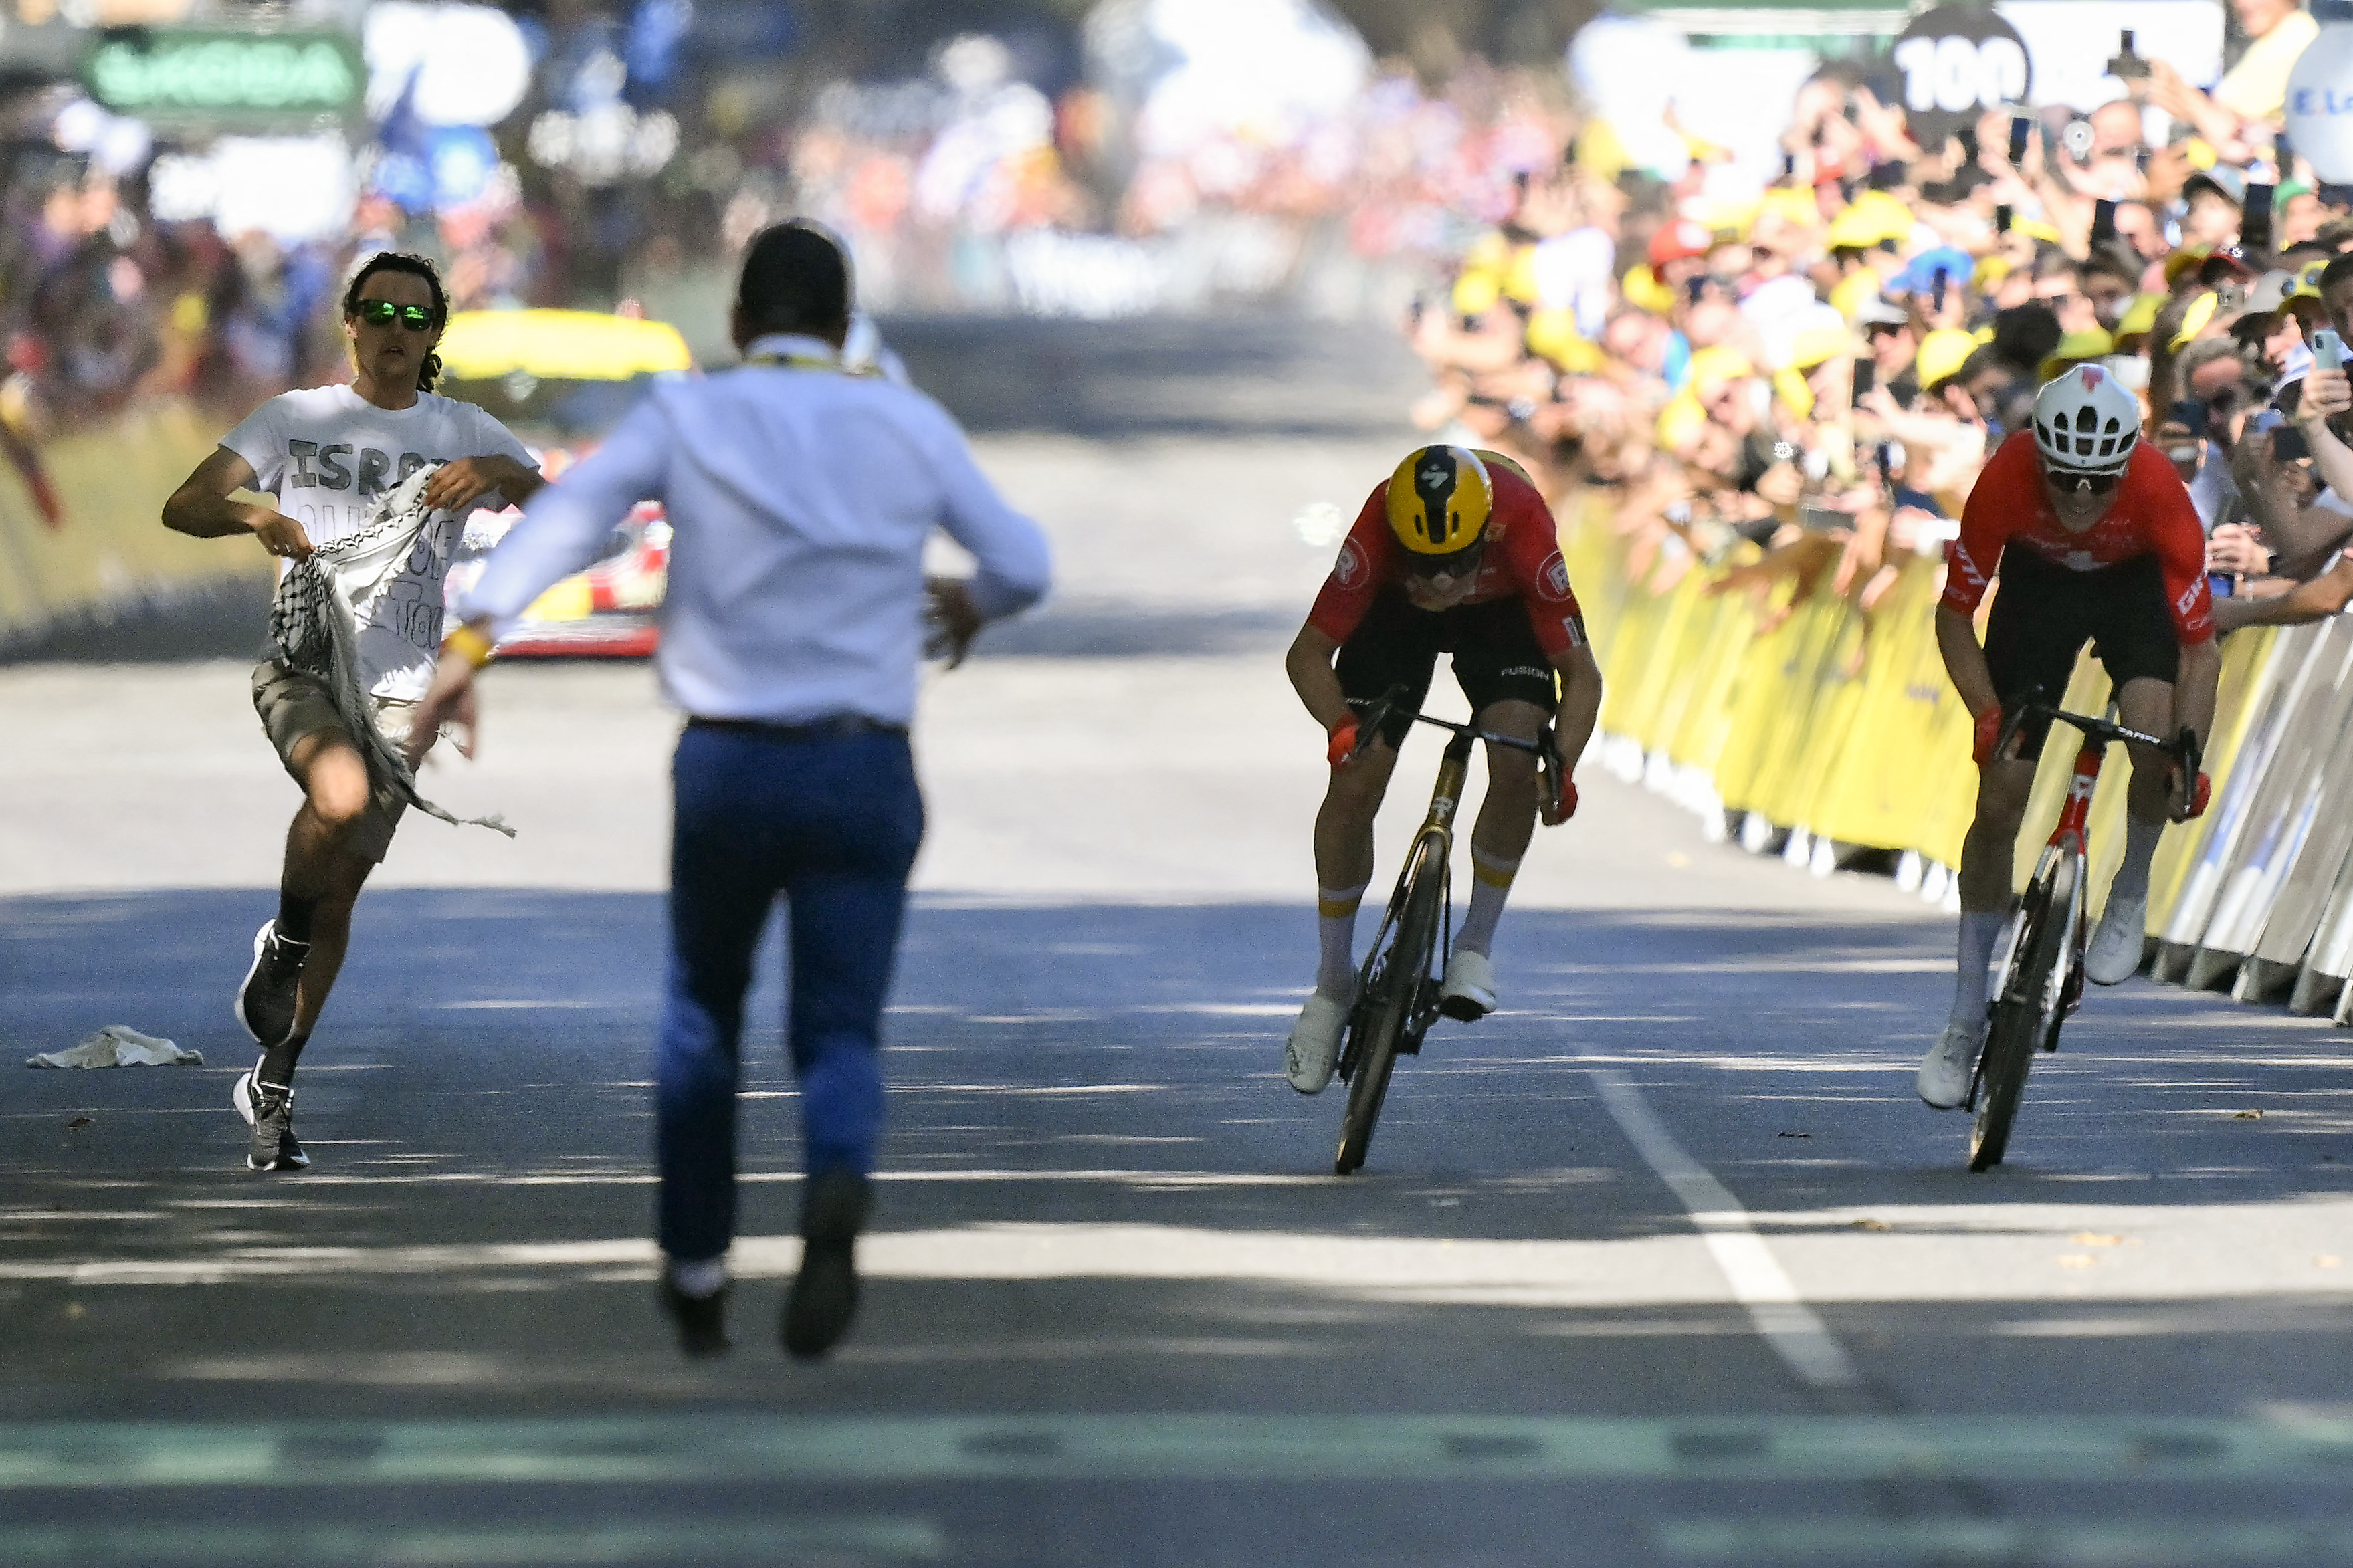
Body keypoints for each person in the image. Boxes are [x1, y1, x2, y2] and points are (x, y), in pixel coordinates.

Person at [406, 222, 1051, 1361]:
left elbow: (565, 519)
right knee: (839, 1025)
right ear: (846, 323)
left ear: (739, 323)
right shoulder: (903, 420)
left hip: (729, 766)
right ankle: (836, 1181)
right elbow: (1024, 562)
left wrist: (471, 642)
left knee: (702, 1013)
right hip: (863, 766)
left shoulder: (688, 415)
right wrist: (969, 601)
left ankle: (697, 1272)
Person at [159, 252, 544, 1173]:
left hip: (401, 701)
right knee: (333, 800)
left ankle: (274, 1087)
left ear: (434, 334)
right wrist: (256, 516)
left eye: (415, 318)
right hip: (304, 666)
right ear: (350, 324)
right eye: (379, 312)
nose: (396, 330)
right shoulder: (297, 417)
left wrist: (492, 467)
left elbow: (567, 517)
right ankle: (282, 938)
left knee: (343, 892)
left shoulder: (463, 429)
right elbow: (185, 503)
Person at [1916, 366, 2219, 1109]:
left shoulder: (2155, 491)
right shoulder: (2006, 477)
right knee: (2000, 803)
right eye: (2065, 480)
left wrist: (2187, 754)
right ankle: (1962, 1014)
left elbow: (2198, 653)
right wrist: (1986, 713)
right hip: (2036, 589)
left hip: (2133, 588)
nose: (2081, 497)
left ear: (2122, 464)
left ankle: (2130, 881)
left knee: (2151, 738)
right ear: (2040, 460)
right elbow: (1953, 617)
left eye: (2097, 482)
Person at [1280, 445, 1604, 1094]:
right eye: (1423, 566)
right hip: (1393, 621)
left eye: (1455, 565)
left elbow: (1580, 676)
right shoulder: (1378, 526)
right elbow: (1307, 654)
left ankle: (1473, 947)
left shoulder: (1523, 524)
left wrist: (1560, 769)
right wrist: (1342, 729)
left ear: (1486, 534)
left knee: (1515, 752)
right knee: (1357, 776)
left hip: (1502, 617)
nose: (1441, 584)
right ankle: (1331, 984)